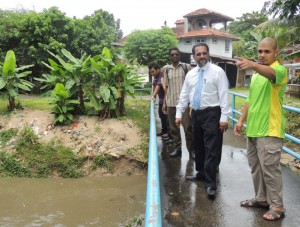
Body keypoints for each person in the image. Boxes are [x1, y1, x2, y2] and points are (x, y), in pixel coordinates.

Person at [234, 37, 288, 221]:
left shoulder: (279, 70)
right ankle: (261, 199)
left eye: (267, 51)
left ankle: (277, 206)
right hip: (254, 129)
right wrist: (241, 121)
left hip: (270, 130)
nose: (262, 55)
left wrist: (252, 64)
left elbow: (271, 74)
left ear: (276, 53)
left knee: (270, 170)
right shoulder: (256, 76)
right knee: (256, 168)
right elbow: (250, 101)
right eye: (260, 51)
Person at [175, 43, 231, 198]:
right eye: (198, 54)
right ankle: (200, 172)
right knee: (198, 146)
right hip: (196, 114)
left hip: (212, 113)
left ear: (208, 54)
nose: (202, 56)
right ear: (194, 56)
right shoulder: (191, 74)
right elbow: (184, 95)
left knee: (211, 148)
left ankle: (211, 183)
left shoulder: (217, 72)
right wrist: (179, 113)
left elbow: (224, 95)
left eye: (204, 53)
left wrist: (224, 117)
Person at [163, 47, 195, 159]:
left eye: (176, 54)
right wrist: (164, 103)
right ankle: (177, 149)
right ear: (170, 56)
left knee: (188, 128)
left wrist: (191, 104)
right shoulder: (167, 70)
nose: (174, 56)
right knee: (173, 129)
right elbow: (166, 87)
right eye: (172, 55)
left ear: (179, 56)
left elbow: (192, 86)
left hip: (185, 104)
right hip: (171, 103)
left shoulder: (186, 67)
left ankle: (191, 150)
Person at [148, 62, 169, 138]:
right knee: (161, 115)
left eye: (153, 71)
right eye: (150, 72)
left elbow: (158, 86)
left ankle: (168, 133)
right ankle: (164, 131)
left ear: (158, 70)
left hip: (166, 100)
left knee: (165, 116)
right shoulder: (156, 77)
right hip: (161, 100)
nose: (152, 73)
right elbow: (154, 86)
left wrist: (153, 96)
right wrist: (153, 96)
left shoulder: (161, 75)